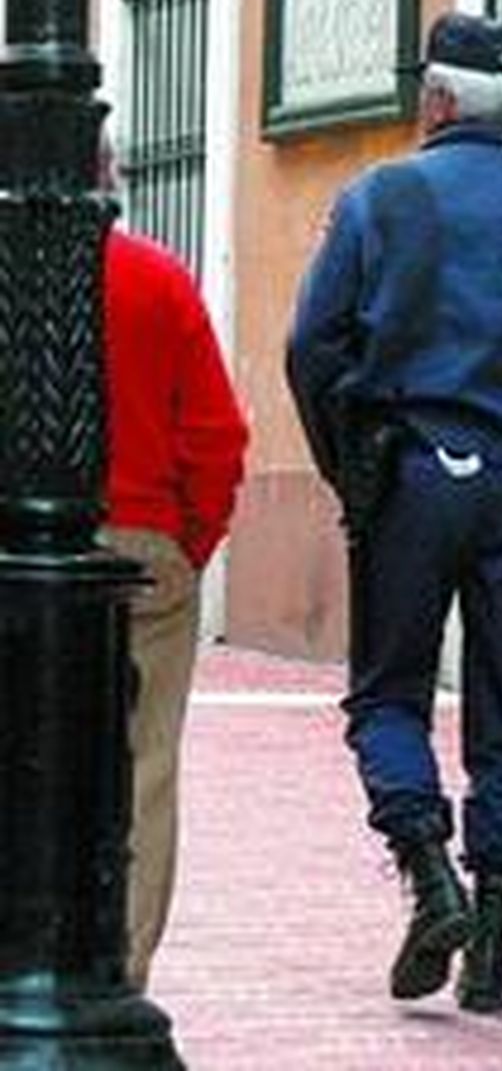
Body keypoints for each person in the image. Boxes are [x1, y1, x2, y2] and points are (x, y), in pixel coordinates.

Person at [285, 12, 502, 1013]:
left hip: (411, 477)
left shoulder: (382, 198)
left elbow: (313, 346)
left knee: (387, 696)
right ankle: (490, 939)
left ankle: (425, 865)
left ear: (435, 101)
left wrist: (350, 468)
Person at [102, 151, 249, 992]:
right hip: (144, 544)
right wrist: (187, 542)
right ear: (107, 175)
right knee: (143, 767)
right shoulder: (157, 280)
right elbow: (215, 438)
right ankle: (121, 972)